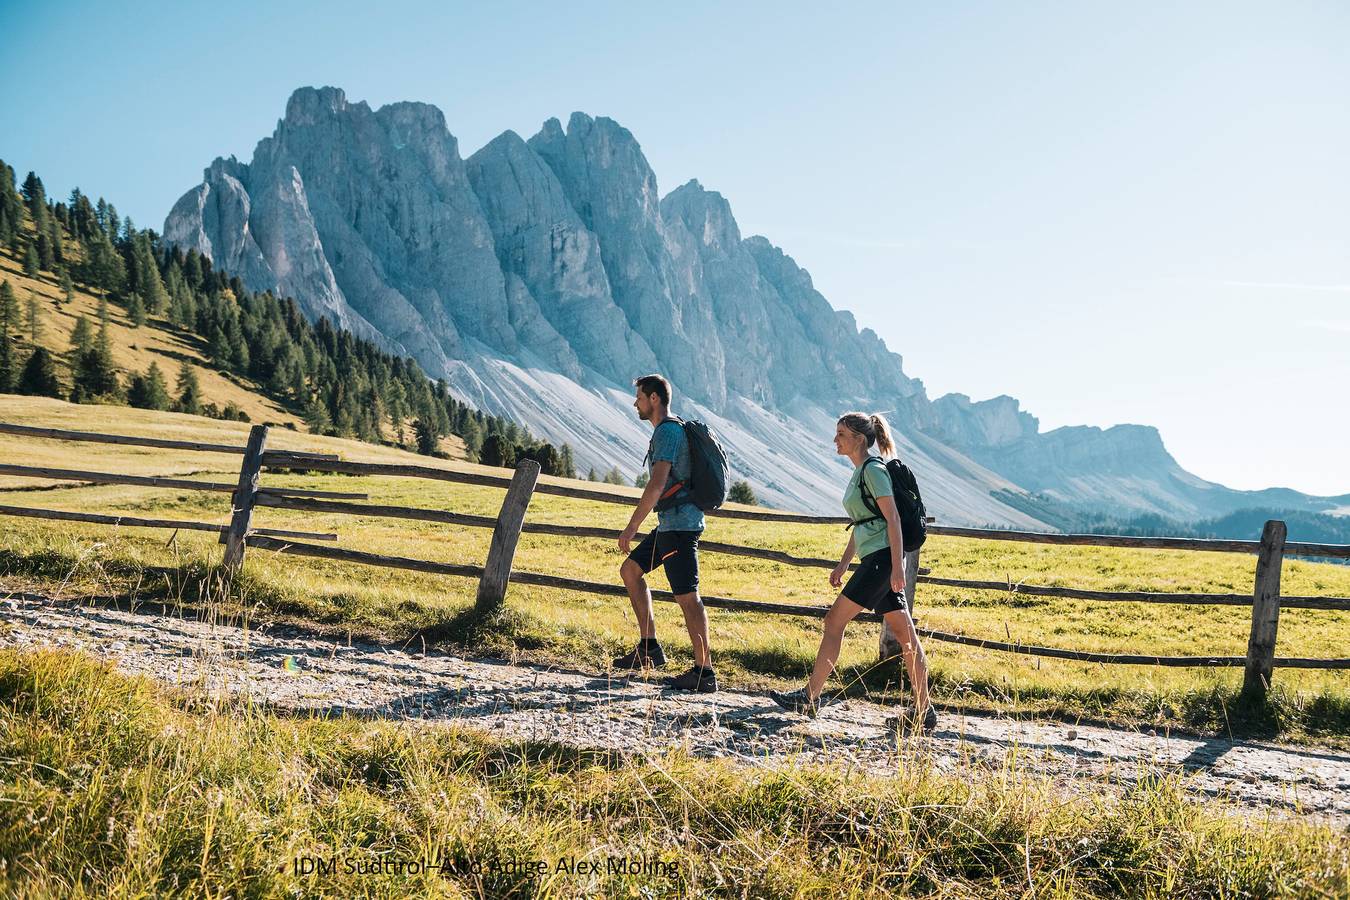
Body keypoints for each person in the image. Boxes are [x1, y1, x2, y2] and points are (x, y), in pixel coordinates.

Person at [770, 412, 936, 734]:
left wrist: (897, 566)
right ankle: (924, 712)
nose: (835, 440)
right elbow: (864, 523)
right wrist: (844, 562)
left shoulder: (873, 471)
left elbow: (893, 520)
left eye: (841, 434)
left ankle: (809, 697)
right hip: (876, 558)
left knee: (834, 622)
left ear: (859, 439)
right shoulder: (862, 472)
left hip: (881, 562)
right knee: (906, 637)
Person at [613, 374, 716, 693]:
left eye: (640, 397)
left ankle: (704, 673)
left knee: (688, 597)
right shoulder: (668, 430)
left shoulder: (668, 432)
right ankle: (649, 649)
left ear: (654, 398)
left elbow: (657, 483)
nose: (636, 403)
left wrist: (632, 526)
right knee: (630, 570)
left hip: (680, 527)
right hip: (670, 524)